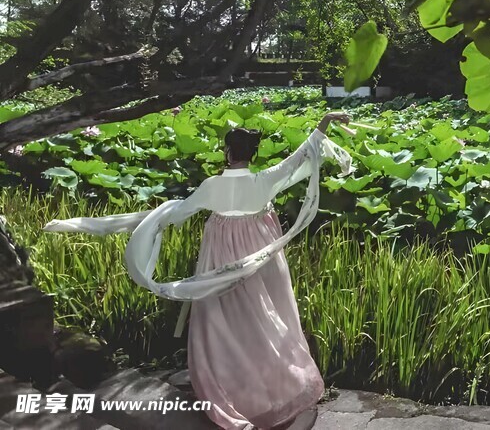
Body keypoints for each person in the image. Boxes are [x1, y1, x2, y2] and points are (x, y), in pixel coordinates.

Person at [44, 111, 356, 430]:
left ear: (227, 152)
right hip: (260, 259)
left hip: (221, 260)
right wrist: (325, 121)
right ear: (254, 154)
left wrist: (150, 221)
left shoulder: (212, 186)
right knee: (264, 317)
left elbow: (180, 211)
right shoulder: (266, 178)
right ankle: (277, 387)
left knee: (222, 322)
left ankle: (231, 388)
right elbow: (302, 153)